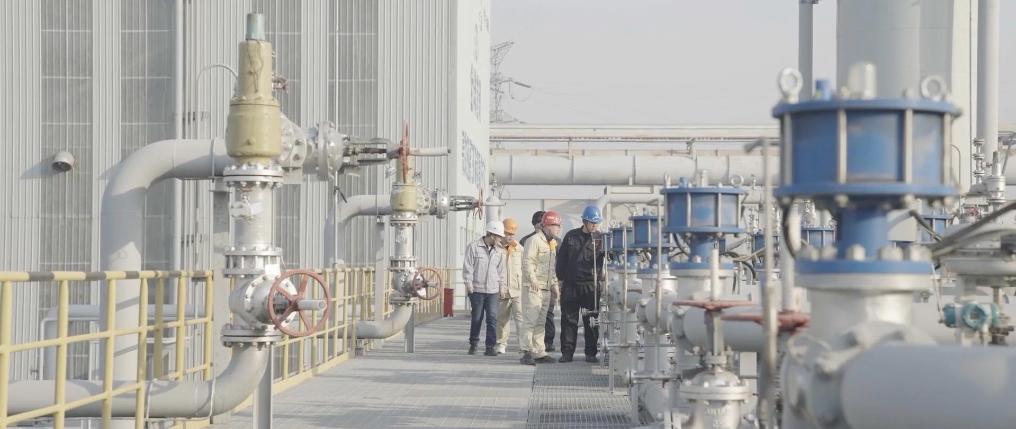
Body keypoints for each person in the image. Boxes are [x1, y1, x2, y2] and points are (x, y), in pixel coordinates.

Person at [555, 205, 605, 363]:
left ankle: (591, 353)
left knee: (591, 320)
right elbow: (561, 259)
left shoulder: (601, 239)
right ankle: (567, 352)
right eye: (592, 222)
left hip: (591, 285)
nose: (594, 226)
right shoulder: (571, 236)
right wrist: (560, 279)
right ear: (584, 221)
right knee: (568, 319)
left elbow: (609, 258)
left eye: (596, 223)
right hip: (571, 284)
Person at [519, 210, 562, 365]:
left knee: (541, 322)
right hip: (533, 287)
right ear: (547, 225)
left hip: (545, 288)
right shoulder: (534, 240)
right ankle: (526, 351)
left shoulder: (551, 244)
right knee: (530, 320)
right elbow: (527, 261)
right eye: (556, 225)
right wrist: (533, 280)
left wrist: (554, 284)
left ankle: (539, 352)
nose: (558, 229)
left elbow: (551, 268)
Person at [462, 221, 507, 356]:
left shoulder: (500, 251)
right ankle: (473, 344)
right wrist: (469, 285)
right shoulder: (474, 247)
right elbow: (468, 267)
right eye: (499, 236)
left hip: (493, 291)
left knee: (492, 319)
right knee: (477, 318)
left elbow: (501, 272)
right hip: (477, 290)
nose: (500, 239)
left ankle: (490, 347)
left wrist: (502, 287)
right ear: (492, 235)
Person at [495, 218, 524, 355]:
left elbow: (525, 268)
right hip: (502, 289)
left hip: (517, 290)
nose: (510, 236)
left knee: (521, 319)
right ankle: (501, 343)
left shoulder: (519, 248)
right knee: (502, 319)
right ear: (502, 233)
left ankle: (523, 345)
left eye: (512, 234)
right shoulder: (496, 249)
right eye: (507, 233)